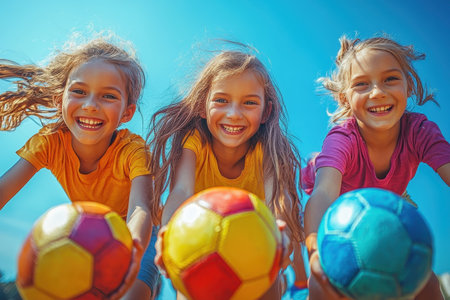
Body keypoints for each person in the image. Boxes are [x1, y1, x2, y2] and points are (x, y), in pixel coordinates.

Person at [0, 35, 161, 299]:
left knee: (133, 294)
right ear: (58, 99)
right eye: (79, 91)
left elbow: (141, 207)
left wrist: (131, 249)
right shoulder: (50, 142)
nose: (90, 105)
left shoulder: (133, 151)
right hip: (90, 233)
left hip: (139, 236)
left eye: (108, 96)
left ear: (127, 113)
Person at [147, 48, 307, 299]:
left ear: (265, 112)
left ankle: (294, 283)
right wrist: (168, 232)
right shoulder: (194, 142)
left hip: (254, 250)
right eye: (221, 100)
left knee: (271, 283)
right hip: (201, 249)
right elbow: (181, 191)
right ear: (202, 106)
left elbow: (278, 197)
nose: (234, 113)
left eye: (249, 102)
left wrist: (281, 235)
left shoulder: (268, 150)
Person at [302, 36, 450, 299]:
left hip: (383, 208)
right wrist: (314, 250)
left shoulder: (419, 131)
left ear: (409, 85)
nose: (377, 92)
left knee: (426, 284)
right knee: (320, 284)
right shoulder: (343, 138)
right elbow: (324, 193)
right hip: (337, 213)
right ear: (345, 98)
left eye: (390, 79)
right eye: (361, 84)